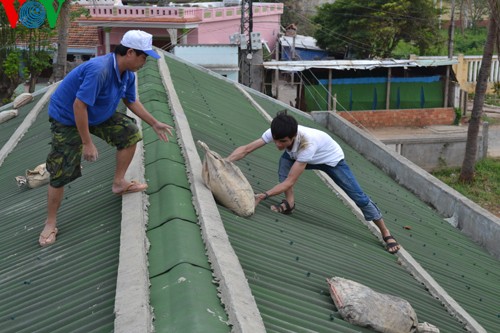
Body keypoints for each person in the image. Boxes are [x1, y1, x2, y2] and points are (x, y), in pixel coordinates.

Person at [38, 30, 173, 247]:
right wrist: (86, 142)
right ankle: (50, 221)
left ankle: (119, 183)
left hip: (97, 113)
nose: (144, 62)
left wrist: (154, 122)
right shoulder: (99, 70)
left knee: (130, 133)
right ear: (130, 52)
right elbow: (79, 105)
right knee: (61, 168)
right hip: (68, 118)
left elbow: (131, 101)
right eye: (143, 57)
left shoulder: (128, 74)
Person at [227, 111, 401, 254]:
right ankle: (289, 204)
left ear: (293, 136)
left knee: (359, 197)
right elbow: (246, 149)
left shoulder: (306, 144)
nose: (278, 145)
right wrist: (224, 162)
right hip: (300, 156)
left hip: (331, 160)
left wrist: (262, 196)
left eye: (283, 142)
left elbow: (289, 182)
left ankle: (385, 232)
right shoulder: (276, 132)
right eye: (276, 140)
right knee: (284, 164)